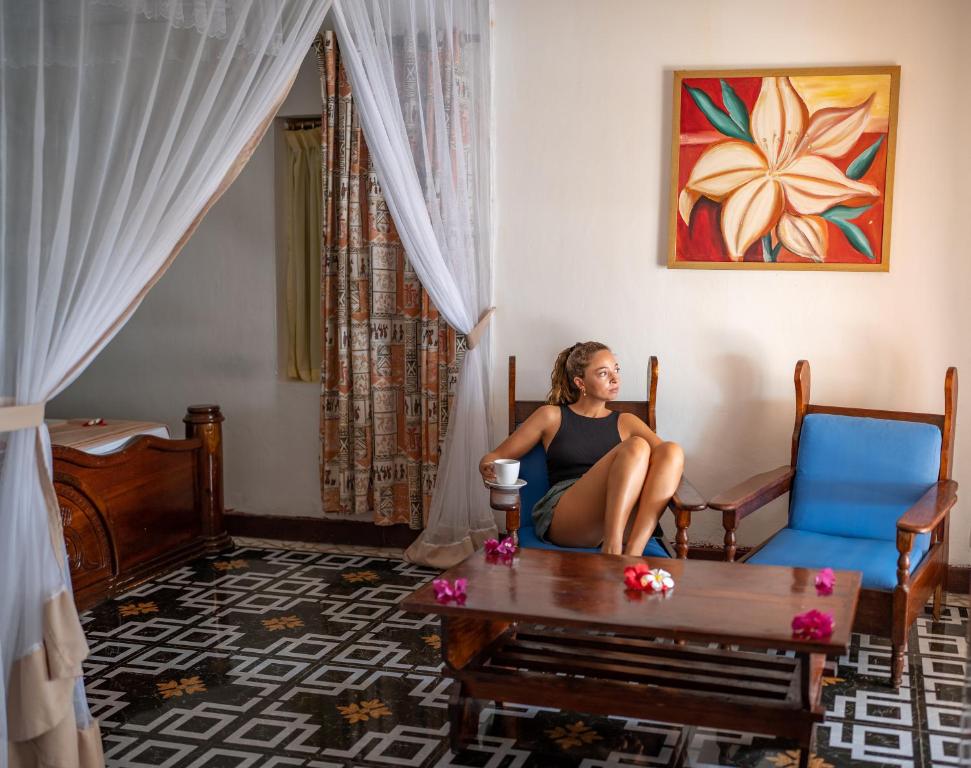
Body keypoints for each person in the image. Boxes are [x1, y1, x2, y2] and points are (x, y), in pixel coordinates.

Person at [479, 342, 684, 556]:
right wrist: (486, 466)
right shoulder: (551, 416)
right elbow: (495, 456)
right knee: (637, 446)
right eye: (603, 373)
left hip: (622, 513)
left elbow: (669, 463)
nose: (615, 378)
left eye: (616, 369)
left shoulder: (627, 422)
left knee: (672, 450)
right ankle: (612, 550)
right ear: (580, 382)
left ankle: (633, 553)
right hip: (568, 516)